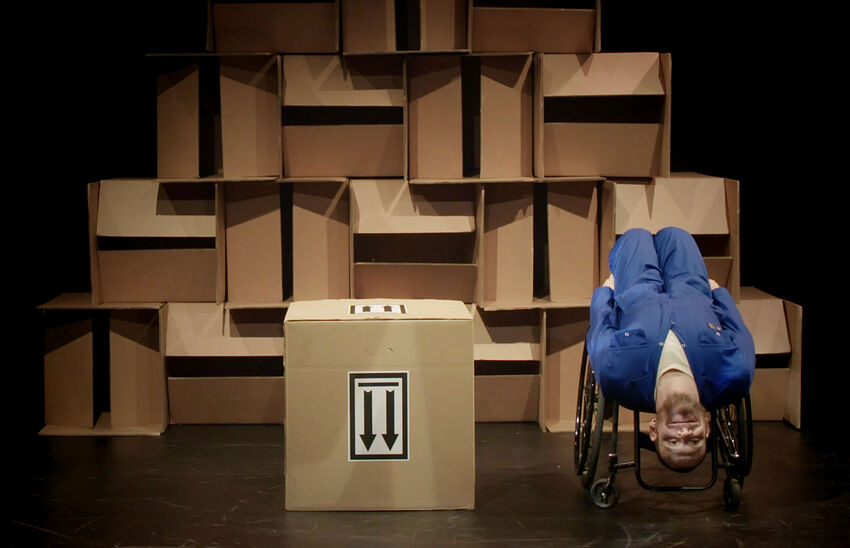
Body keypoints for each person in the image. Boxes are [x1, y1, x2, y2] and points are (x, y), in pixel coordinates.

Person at [586, 227, 755, 471]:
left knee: (635, 236)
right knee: (677, 235)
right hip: (692, 288)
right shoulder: (733, 373)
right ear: (707, 427)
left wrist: (605, 292)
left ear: (654, 431)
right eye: (694, 440)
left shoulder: (619, 377)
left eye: (673, 441)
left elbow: (599, 333)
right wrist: (719, 293)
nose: (684, 433)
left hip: (637, 290)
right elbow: (739, 332)